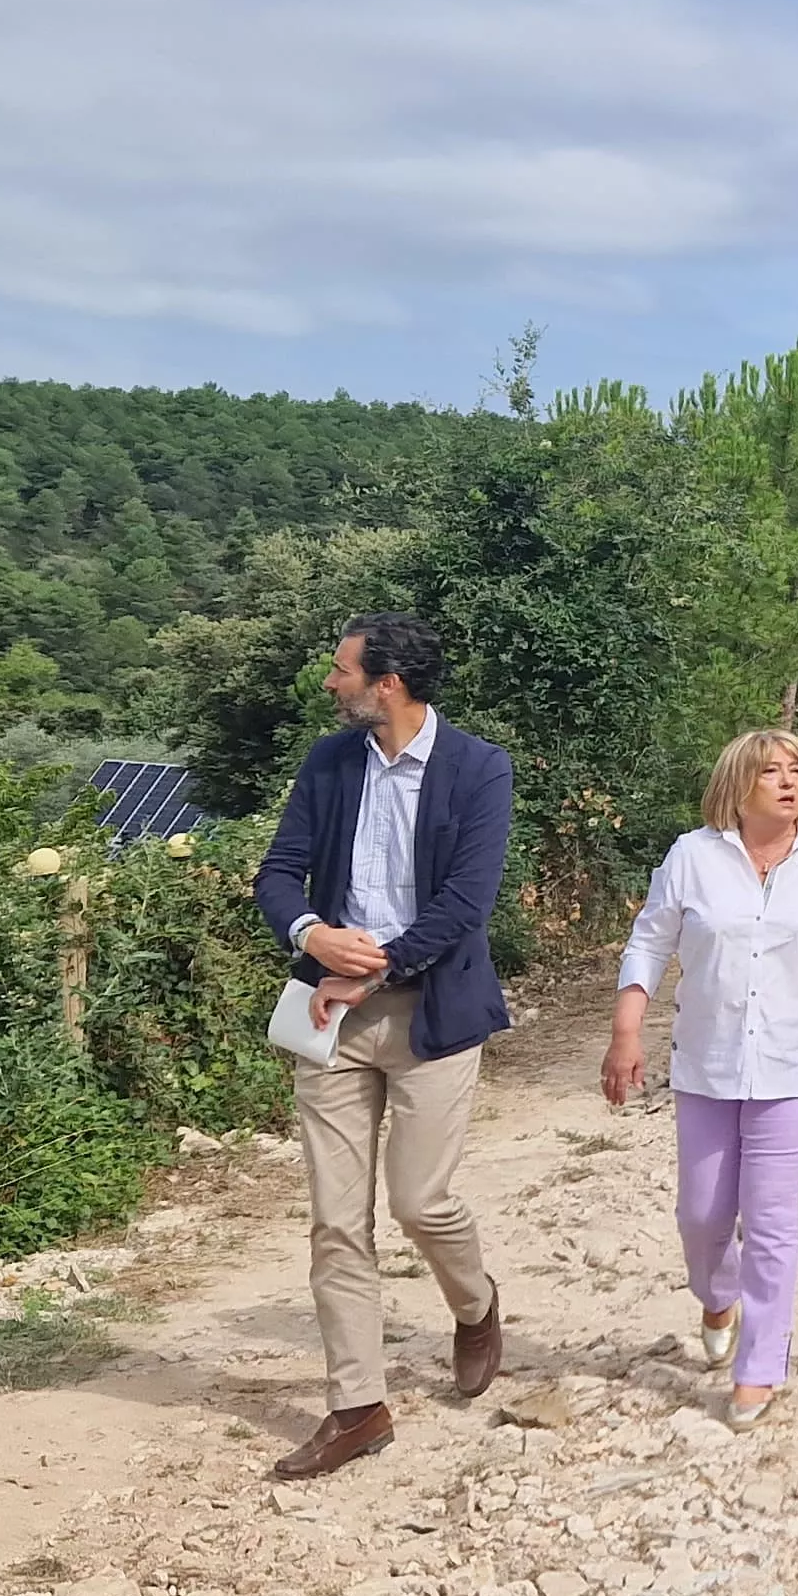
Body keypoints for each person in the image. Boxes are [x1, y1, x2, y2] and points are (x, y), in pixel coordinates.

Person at [253, 613, 516, 1480]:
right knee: (336, 1219)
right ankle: (357, 1406)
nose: (332, 684)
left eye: (342, 671)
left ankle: (475, 1308)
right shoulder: (330, 765)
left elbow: (464, 906)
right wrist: (311, 934)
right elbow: (278, 871)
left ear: (388, 683)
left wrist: (373, 967)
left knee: (419, 1201)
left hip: (432, 1015)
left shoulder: (478, 769)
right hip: (330, 1017)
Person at [603, 728, 798, 1427]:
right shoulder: (693, 856)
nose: (787, 781)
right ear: (738, 783)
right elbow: (650, 939)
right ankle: (716, 1292)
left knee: (771, 1218)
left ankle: (760, 1366)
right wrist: (626, 1030)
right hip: (708, 1060)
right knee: (701, 1215)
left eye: (797, 770)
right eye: (769, 771)